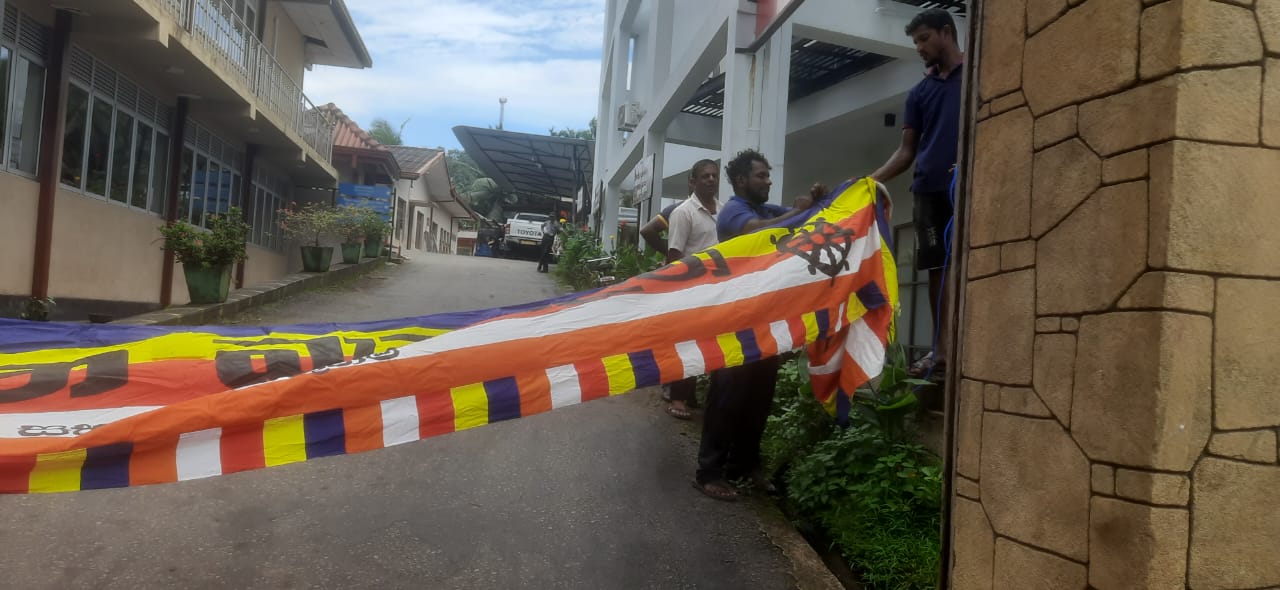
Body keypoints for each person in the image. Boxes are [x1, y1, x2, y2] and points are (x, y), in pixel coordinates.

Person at [693, 149, 813, 502]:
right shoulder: (734, 212)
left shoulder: (765, 208)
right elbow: (761, 230)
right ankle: (709, 472)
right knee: (727, 394)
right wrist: (798, 210)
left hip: (764, 319)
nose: (768, 181)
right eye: (761, 176)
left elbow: (796, 217)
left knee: (759, 395)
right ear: (742, 180)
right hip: (735, 319)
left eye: (768, 175)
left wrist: (819, 202)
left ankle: (743, 466)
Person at [867, 8, 963, 376]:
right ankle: (940, 353)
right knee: (935, 269)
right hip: (928, 192)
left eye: (924, 39)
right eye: (916, 42)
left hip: (967, 188)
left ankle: (962, 347)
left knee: (967, 267)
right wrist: (870, 181)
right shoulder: (919, 93)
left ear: (946, 32)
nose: (920, 47)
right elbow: (907, 151)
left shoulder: (976, 76)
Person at [661, 159, 721, 421]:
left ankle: (692, 393)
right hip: (690, 288)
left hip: (715, 288)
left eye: (714, 175)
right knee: (686, 345)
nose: (710, 179)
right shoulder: (683, 213)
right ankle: (677, 397)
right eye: (704, 176)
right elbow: (674, 257)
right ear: (692, 182)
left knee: (704, 345)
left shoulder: (723, 211)